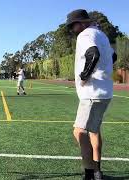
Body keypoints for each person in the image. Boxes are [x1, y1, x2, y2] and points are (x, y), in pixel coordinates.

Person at [66, 9, 117, 180]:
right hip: (105, 91)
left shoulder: (85, 35)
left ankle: (89, 173)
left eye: (73, 25)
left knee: (79, 132)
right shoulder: (101, 35)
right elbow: (113, 56)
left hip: (91, 92)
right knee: (94, 131)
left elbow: (92, 53)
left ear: (81, 23)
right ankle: (98, 172)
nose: (72, 30)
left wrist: (84, 76)